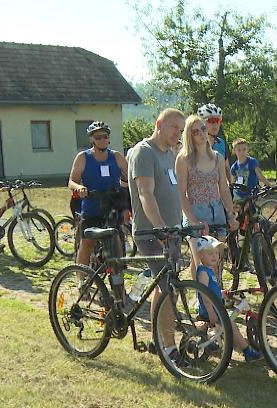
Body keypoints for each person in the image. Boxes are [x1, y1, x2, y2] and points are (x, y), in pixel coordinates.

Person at [127, 108, 187, 365]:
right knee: (168, 289)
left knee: (163, 289)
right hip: (151, 233)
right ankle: (169, 349)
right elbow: (145, 194)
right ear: (159, 124)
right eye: (175, 128)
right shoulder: (144, 152)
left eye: (181, 130)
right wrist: (161, 227)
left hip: (169, 232)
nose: (179, 134)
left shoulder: (167, 154)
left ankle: (156, 340)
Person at [176, 114, 238, 275]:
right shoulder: (183, 159)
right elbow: (181, 194)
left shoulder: (217, 157)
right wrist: (194, 221)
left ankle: (216, 295)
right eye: (196, 131)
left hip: (217, 211)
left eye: (203, 129)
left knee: (215, 260)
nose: (202, 134)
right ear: (189, 135)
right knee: (199, 261)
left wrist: (230, 214)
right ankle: (201, 297)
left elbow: (223, 189)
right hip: (195, 211)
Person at [67, 122, 130, 266]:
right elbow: (71, 181)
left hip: (112, 206)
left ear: (109, 138)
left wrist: (125, 182)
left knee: (117, 241)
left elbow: (129, 177)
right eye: (98, 137)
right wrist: (80, 188)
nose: (102, 140)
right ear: (91, 139)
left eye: (104, 137)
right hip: (92, 206)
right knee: (87, 243)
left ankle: (118, 279)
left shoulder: (116, 157)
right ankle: (81, 278)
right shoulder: (83, 157)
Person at [194, 235, 262, 362]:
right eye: (210, 254)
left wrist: (222, 293)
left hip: (216, 307)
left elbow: (212, 290)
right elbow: (204, 294)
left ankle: (213, 342)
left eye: (216, 253)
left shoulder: (209, 270)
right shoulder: (203, 272)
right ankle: (247, 352)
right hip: (210, 309)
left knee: (227, 325)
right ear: (201, 256)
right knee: (231, 325)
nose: (215, 256)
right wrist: (210, 311)